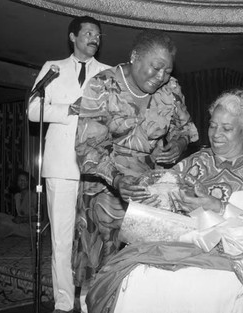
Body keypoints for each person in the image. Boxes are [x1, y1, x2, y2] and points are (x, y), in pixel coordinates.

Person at [86, 89, 243, 313]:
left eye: (226, 128)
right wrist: (148, 193)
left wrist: (216, 206)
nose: (216, 134)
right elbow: (164, 191)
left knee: (197, 285)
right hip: (182, 243)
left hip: (236, 251)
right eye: (213, 126)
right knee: (136, 276)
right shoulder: (197, 160)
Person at [71, 29, 199, 290]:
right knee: (102, 265)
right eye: (156, 68)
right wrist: (117, 179)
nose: (161, 77)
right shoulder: (102, 85)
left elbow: (185, 128)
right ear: (134, 57)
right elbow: (87, 147)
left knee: (145, 265)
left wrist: (178, 144)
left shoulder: (171, 89)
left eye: (167, 70)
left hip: (150, 189)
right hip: (106, 186)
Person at [27, 15, 110, 313]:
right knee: (61, 240)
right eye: (88, 32)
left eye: (98, 35)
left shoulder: (109, 73)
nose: (94, 38)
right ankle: (63, 303)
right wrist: (69, 109)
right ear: (73, 37)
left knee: (92, 242)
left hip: (95, 170)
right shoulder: (52, 68)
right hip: (60, 167)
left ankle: (90, 302)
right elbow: (33, 110)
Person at [0, 171, 45, 238]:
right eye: (20, 180)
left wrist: (23, 219)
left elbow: (41, 217)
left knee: (2, 223)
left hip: (32, 226)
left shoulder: (34, 196)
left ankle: (0, 239)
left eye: (25, 180)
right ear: (16, 182)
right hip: (21, 223)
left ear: (29, 182)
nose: (22, 182)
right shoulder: (17, 196)